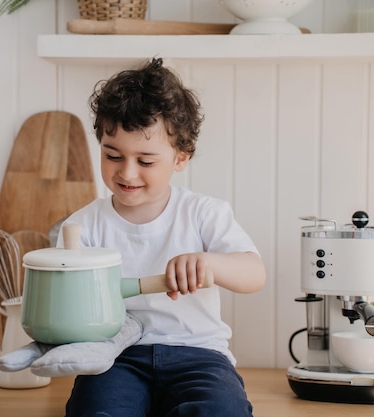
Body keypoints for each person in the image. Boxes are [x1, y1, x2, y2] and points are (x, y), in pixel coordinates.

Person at [58, 58, 266, 417]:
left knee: (221, 410)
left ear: (181, 157)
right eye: (112, 155)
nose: (127, 172)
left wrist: (209, 262)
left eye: (146, 161)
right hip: (115, 358)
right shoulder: (83, 225)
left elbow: (254, 274)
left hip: (199, 355)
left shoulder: (203, 213)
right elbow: (67, 305)